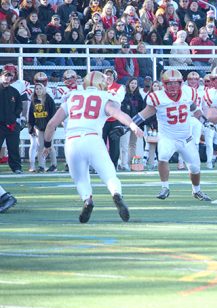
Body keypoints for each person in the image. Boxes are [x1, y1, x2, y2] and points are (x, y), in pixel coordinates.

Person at [43, 71, 144, 223]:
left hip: (72, 140)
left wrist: (47, 144)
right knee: (110, 175)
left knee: (81, 179)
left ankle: (87, 200)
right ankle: (116, 194)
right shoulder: (105, 96)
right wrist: (132, 124)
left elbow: (51, 124)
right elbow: (117, 113)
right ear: (102, 84)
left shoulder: (72, 96)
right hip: (93, 139)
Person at [132, 70, 211, 201]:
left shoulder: (188, 92)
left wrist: (204, 121)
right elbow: (144, 114)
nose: (173, 87)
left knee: (195, 167)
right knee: (163, 157)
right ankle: (165, 187)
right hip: (167, 137)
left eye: (176, 83)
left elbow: (194, 109)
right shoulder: (158, 97)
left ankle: (196, 191)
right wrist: (128, 125)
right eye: (169, 84)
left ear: (181, 83)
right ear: (164, 84)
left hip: (186, 138)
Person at [28, 82, 57, 173]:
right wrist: (31, 127)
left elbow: (54, 113)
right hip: (39, 127)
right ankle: (41, 166)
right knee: (40, 146)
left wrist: (52, 126)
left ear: (43, 89)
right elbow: (31, 116)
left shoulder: (49, 99)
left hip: (49, 127)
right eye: (36, 89)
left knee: (50, 146)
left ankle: (54, 165)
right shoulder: (33, 101)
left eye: (40, 88)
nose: (38, 90)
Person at [0, 68, 23, 174]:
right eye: (5, 75)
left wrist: (15, 117)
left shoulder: (14, 91)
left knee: (14, 148)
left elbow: (19, 106)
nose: (7, 77)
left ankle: (16, 167)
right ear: (1, 76)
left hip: (12, 125)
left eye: (9, 76)